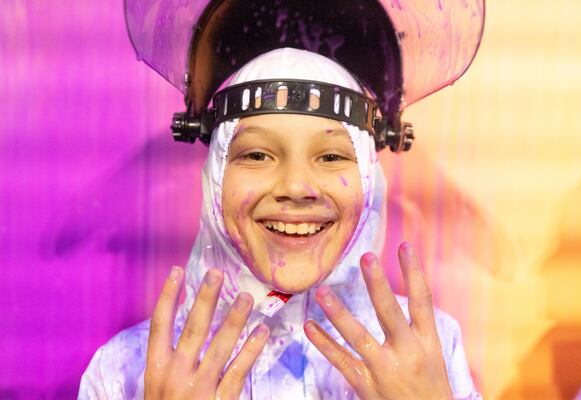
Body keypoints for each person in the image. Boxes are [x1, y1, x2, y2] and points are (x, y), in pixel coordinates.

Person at [80, 1, 485, 399]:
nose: (295, 186)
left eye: (330, 157)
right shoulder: (125, 371)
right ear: (217, 176)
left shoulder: (431, 352)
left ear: (367, 176)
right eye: (257, 155)